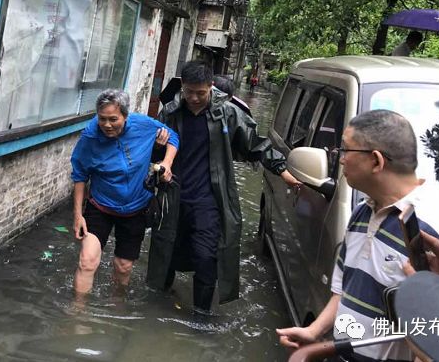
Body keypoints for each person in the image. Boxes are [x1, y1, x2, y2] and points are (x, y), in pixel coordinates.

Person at [277, 109, 439, 361]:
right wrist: (314, 331)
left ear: (376, 161)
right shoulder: (362, 212)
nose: (341, 159)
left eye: (346, 149)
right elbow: (345, 290)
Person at [150, 61, 301, 313]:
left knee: (206, 257)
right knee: (166, 250)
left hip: (210, 199)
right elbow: (154, 156)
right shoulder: (170, 112)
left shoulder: (228, 113)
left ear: (211, 86)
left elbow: (255, 144)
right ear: (182, 87)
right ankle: (156, 305)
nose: (194, 98)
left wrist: (282, 171)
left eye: (200, 93)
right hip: (173, 195)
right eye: (189, 92)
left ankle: (201, 315)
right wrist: (157, 145)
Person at [71, 89, 179, 295]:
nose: (107, 125)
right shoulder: (90, 137)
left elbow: (174, 137)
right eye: (102, 119)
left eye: (113, 119)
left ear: (126, 116)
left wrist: (167, 162)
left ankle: (118, 304)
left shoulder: (143, 125)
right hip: (100, 206)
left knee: (123, 267)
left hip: (136, 208)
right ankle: (77, 310)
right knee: (87, 261)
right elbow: (79, 175)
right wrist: (78, 215)